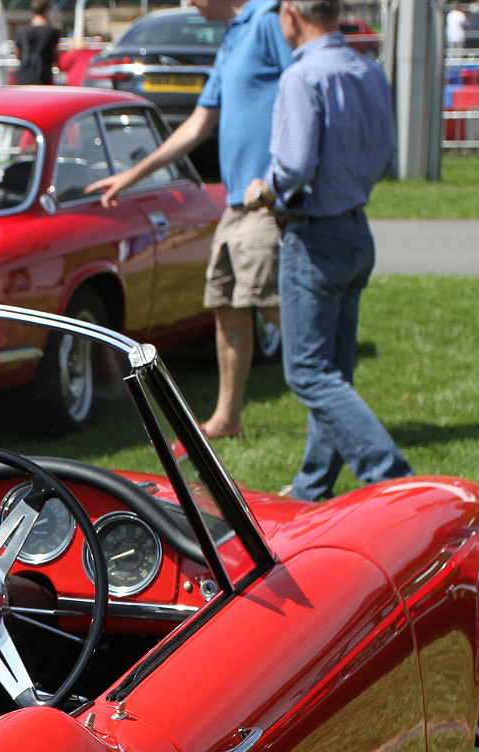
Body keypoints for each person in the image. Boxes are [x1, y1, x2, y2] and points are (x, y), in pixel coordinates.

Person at [86, 0, 292, 440]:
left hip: (266, 201)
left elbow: (303, 93)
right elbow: (199, 123)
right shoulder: (234, 36)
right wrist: (132, 175)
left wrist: (283, 180)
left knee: (276, 307)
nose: (188, 3)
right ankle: (227, 419)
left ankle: (330, 397)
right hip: (237, 203)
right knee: (227, 304)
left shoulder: (270, 20)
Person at [244, 0, 411, 502]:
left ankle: (393, 480)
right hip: (356, 229)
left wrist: (263, 190)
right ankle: (312, 488)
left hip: (314, 235)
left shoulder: (302, 78)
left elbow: (293, 164)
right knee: (333, 373)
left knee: (309, 374)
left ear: (292, 13)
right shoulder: (368, 70)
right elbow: (385, 157)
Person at [14, 0, 62, 85]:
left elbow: (18, 54)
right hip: (44, 75)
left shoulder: (22, 31)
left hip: (24, 75)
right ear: (47, 10)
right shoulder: (52, 31)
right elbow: (55, 53)